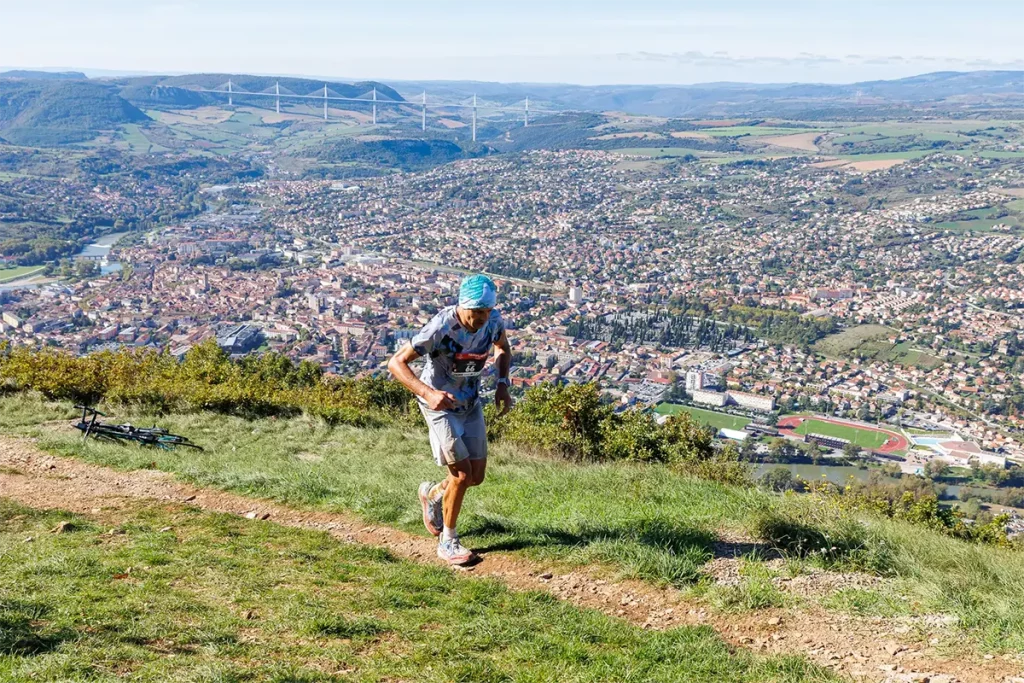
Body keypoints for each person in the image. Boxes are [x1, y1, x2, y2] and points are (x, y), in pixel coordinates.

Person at [387, 274, 513, 565]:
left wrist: (503, 384)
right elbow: (396, 362)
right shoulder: (442, 326)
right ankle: (449, 541)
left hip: (470, 402)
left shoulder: (493, 321)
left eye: (486, 311)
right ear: (462, 306)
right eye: (476, 312)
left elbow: (503, 348)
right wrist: (428, 393)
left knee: (476, 476)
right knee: (461, 475)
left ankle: (432, 495)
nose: (482, 318)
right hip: (439, 406)